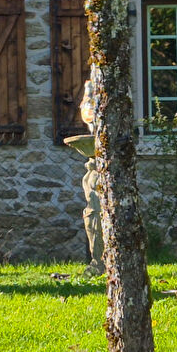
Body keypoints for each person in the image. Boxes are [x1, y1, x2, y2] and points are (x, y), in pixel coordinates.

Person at [77, 71, 105, 274]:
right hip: (94, 168)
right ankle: (98, 258)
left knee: (96, 209)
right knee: (92, 207)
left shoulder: (91, 104)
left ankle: (100, 259)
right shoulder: (88, 105)